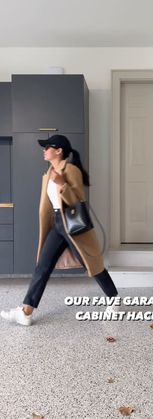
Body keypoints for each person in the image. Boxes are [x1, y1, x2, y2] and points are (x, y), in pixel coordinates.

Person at [1, 135, 118, 326]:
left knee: (91, 263)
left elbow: (77, 201)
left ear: (59, 151)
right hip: (56, 223)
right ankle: (26, 312)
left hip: (71, 223)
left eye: (47, 147)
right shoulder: (48, 173)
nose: (44, 150)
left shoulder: (70, 170)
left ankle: (113, 299)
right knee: (42, 266)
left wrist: (62, 183)